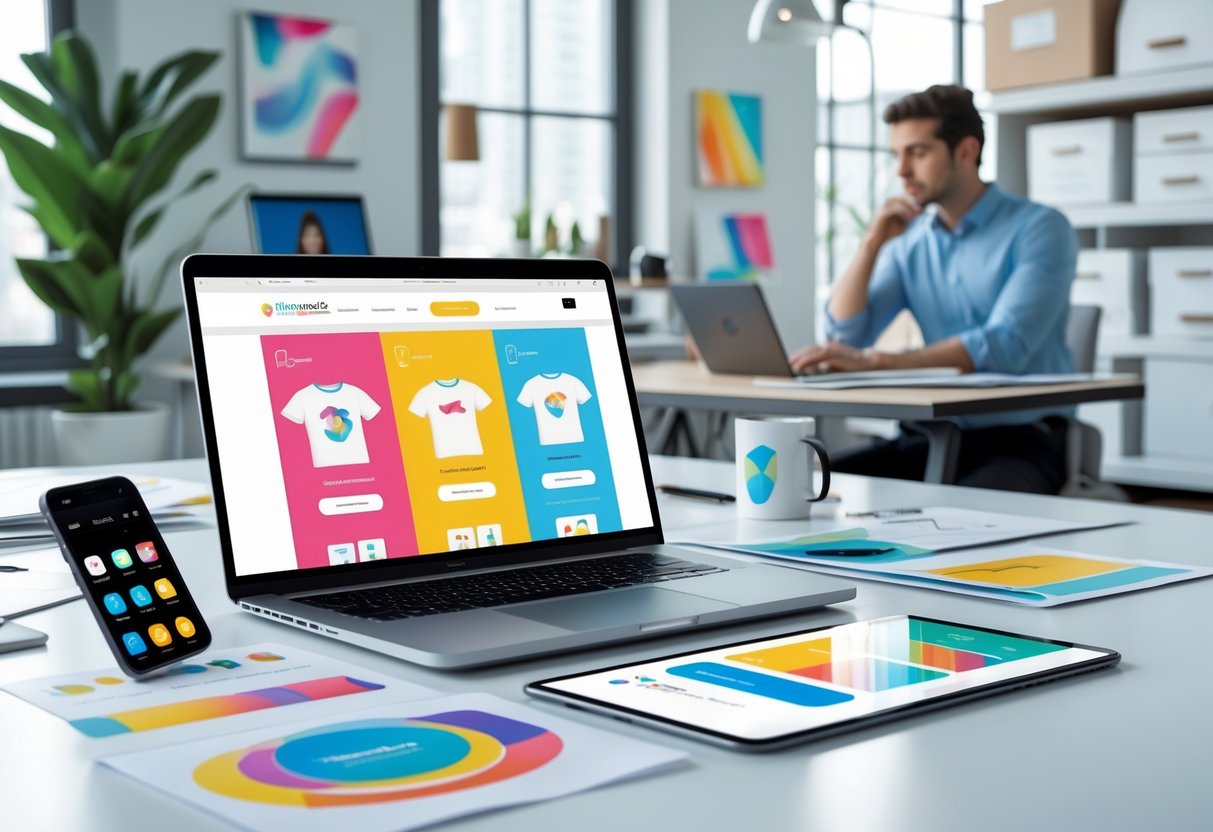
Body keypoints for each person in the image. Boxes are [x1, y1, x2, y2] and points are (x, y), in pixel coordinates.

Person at [790, 85, 1077, 494]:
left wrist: (876, 361)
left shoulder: (1041, 228)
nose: (901, 171)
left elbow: (1005, 346)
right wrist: (871, 244)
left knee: (969, 521)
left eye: (918, 153)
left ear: (965, 151)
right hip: (929, 439)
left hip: (1020, 443)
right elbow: (842, 338)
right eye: (897, 155)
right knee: (803, 488)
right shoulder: (909, 240)